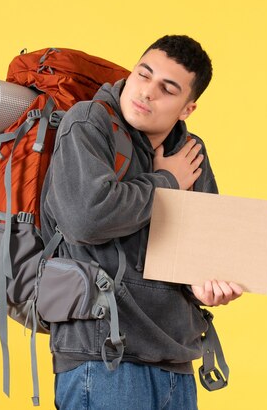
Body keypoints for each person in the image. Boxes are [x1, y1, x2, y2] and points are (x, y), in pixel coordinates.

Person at [40, 35, 243, 409]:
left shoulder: (190, 152)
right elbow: (87, 217)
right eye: (143, 74)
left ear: (187, 108)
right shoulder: (88, 124)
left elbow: (200, 250)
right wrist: (166, 182)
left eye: (167, 89)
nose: (147, 92)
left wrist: (206, 287)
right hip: (104, 359)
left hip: (176, 358)